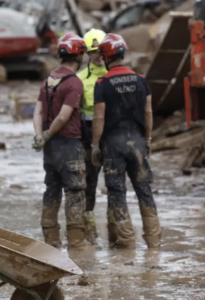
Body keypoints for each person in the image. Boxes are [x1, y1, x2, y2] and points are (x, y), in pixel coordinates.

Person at [91, 33, 162, 249]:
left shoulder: (102, 83)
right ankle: (153, 241)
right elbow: (148, 112)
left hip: (113, 146)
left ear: (105, 57)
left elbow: (99, 117)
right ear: (122, 53)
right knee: (144, 190)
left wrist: (95, 145)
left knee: (117, 192)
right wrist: (147, 139)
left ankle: (128, 242)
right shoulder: (141, 80)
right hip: (138, 143)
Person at [31, 33, 89, 249]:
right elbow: (64, 116)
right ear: (79, 56)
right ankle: (76, 243)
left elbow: (37, 111)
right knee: (74, 192)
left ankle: (51, 244)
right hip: (68, 145)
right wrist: (48, 134)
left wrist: (40, 135)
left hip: (50, 149)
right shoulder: (74, 82)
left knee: (51, 190)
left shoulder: (49, 80)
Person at [77, 28, 108, 245]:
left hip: (112, 137)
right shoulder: (79, 79)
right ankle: (89, 230)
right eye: (94, 51)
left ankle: (118, 233)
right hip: (88, 138)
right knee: (90, 183)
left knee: (116, 184)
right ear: (87, 53)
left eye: (101, 51)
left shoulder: (113, 76)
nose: (98, 55)